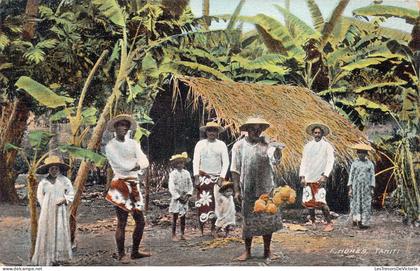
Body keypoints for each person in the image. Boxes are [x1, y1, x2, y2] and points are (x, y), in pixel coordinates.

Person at [231, 117, 284, 261]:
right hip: (248, 188)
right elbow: (235, 170)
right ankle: (247, 251)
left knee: (268, 220)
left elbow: (275, 160)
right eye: (253, 129)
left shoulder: (266, 144)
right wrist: (236, 190)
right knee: (248, 221)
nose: (256, 131)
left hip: (266, 188)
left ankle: (267, 251)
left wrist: (277, 149)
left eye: (259, 129)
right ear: (247, 130)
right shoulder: (239, 146)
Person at [104, 114, 151, 262]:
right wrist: (136, 165)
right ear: (115, 128)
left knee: (140, 221)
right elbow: (121, 166)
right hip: (120, 183)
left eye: (126, 125)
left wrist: (138, 164)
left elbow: (145, 161)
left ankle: (135, 251)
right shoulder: (110, 146)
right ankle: (121, 254)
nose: (124, 128)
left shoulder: (133, 143)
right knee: (122, 221)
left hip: (134, 183)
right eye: (120, 125)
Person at [32, 155, 74, 266]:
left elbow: (70, 194)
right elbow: (40, 196)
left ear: (59, 169)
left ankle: (58, 257)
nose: (54, 171)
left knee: (59, 229)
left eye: (56, 168)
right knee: (47, 229)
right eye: (52, 169)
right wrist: (45, 205)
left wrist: (64, 200)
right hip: (47, 210)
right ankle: (47, 257)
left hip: (60, 210)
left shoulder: (65, 180)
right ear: (48, 170)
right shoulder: (44, 182)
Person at [193, 121, 229, 237]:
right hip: (203, 176)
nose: (212, 133)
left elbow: (226, 162)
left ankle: (213, 228)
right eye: (209, 130)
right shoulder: (200, 144)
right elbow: (195, 161)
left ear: (217, 132)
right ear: (206, 132)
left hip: (217, 177)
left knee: (215, 204)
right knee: (202, 203)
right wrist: (196, 177)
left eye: (214, 130)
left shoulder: (221, 145)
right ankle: (202, 229)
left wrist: (222, 177)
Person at [299, 123, 335, 232]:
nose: (317, 135)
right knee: (309, 202)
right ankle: (313, 222)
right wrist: (302, 176)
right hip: (309, 176)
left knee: (321, 201)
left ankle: (329, 223)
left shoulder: (327, 146)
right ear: (312, 134)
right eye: (315, 133)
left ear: (322, 134)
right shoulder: (308, 146)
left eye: (319, 133)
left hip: (320, 177)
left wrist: (325, 175)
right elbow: (303, 161)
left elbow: (330, 161)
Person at [347, 143, 376, 229]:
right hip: (356, 187)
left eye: (363, 152)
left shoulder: (370, 164)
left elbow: (372, 176)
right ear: (357, 153)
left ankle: (364, 222)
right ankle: (356, 220)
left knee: (365, 203)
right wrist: (350, 189)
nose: (361, 154)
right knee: (356, 203)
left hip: (366, 188)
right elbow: (351, 176)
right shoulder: (354, 163)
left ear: (366, 154)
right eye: (359, 152)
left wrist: (372, 188)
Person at [168, 152, 193, 241]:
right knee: (175, 216)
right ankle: (173, 234)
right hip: (177, 198)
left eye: (182, 163)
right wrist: (178, 197)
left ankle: (182, 234)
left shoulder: (186, 173)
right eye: (178, 163)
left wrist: (188, 195)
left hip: (185, 197)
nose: (180, 165)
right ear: (175, 164)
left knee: (183, 217)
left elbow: (190, 184)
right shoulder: (173, 174)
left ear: (184, 163)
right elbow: (171, 186)